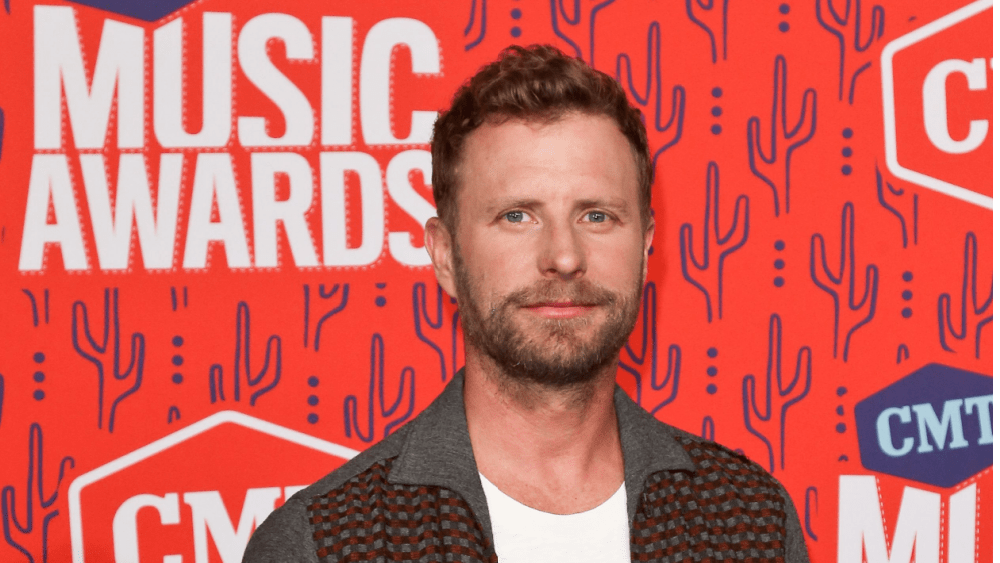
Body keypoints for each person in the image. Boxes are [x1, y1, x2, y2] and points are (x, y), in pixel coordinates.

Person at [243, 44, 809, 563]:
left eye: (597, 216)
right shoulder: (325, 542)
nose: (563, 256)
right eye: (517, 216)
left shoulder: (750, 522)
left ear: (644, 248)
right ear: (445, 256)